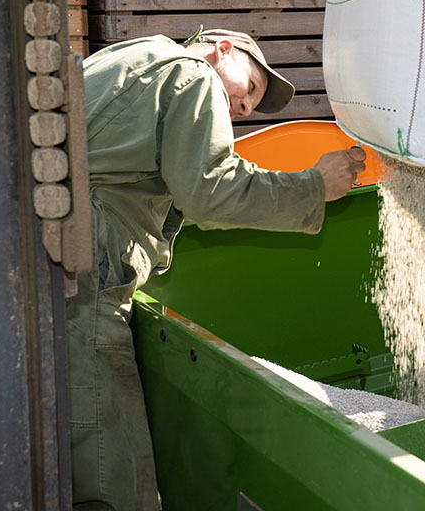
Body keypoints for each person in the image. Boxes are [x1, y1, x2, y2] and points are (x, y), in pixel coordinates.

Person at [67, 29, 365, 509]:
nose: (245, 109)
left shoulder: (138, 55)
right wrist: (314, 187)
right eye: (250, 88)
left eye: (250, 107)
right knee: (113, 474)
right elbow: (210, 190)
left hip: (47, 264)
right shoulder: (194, 74)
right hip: (83, 280)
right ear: (223, 50)